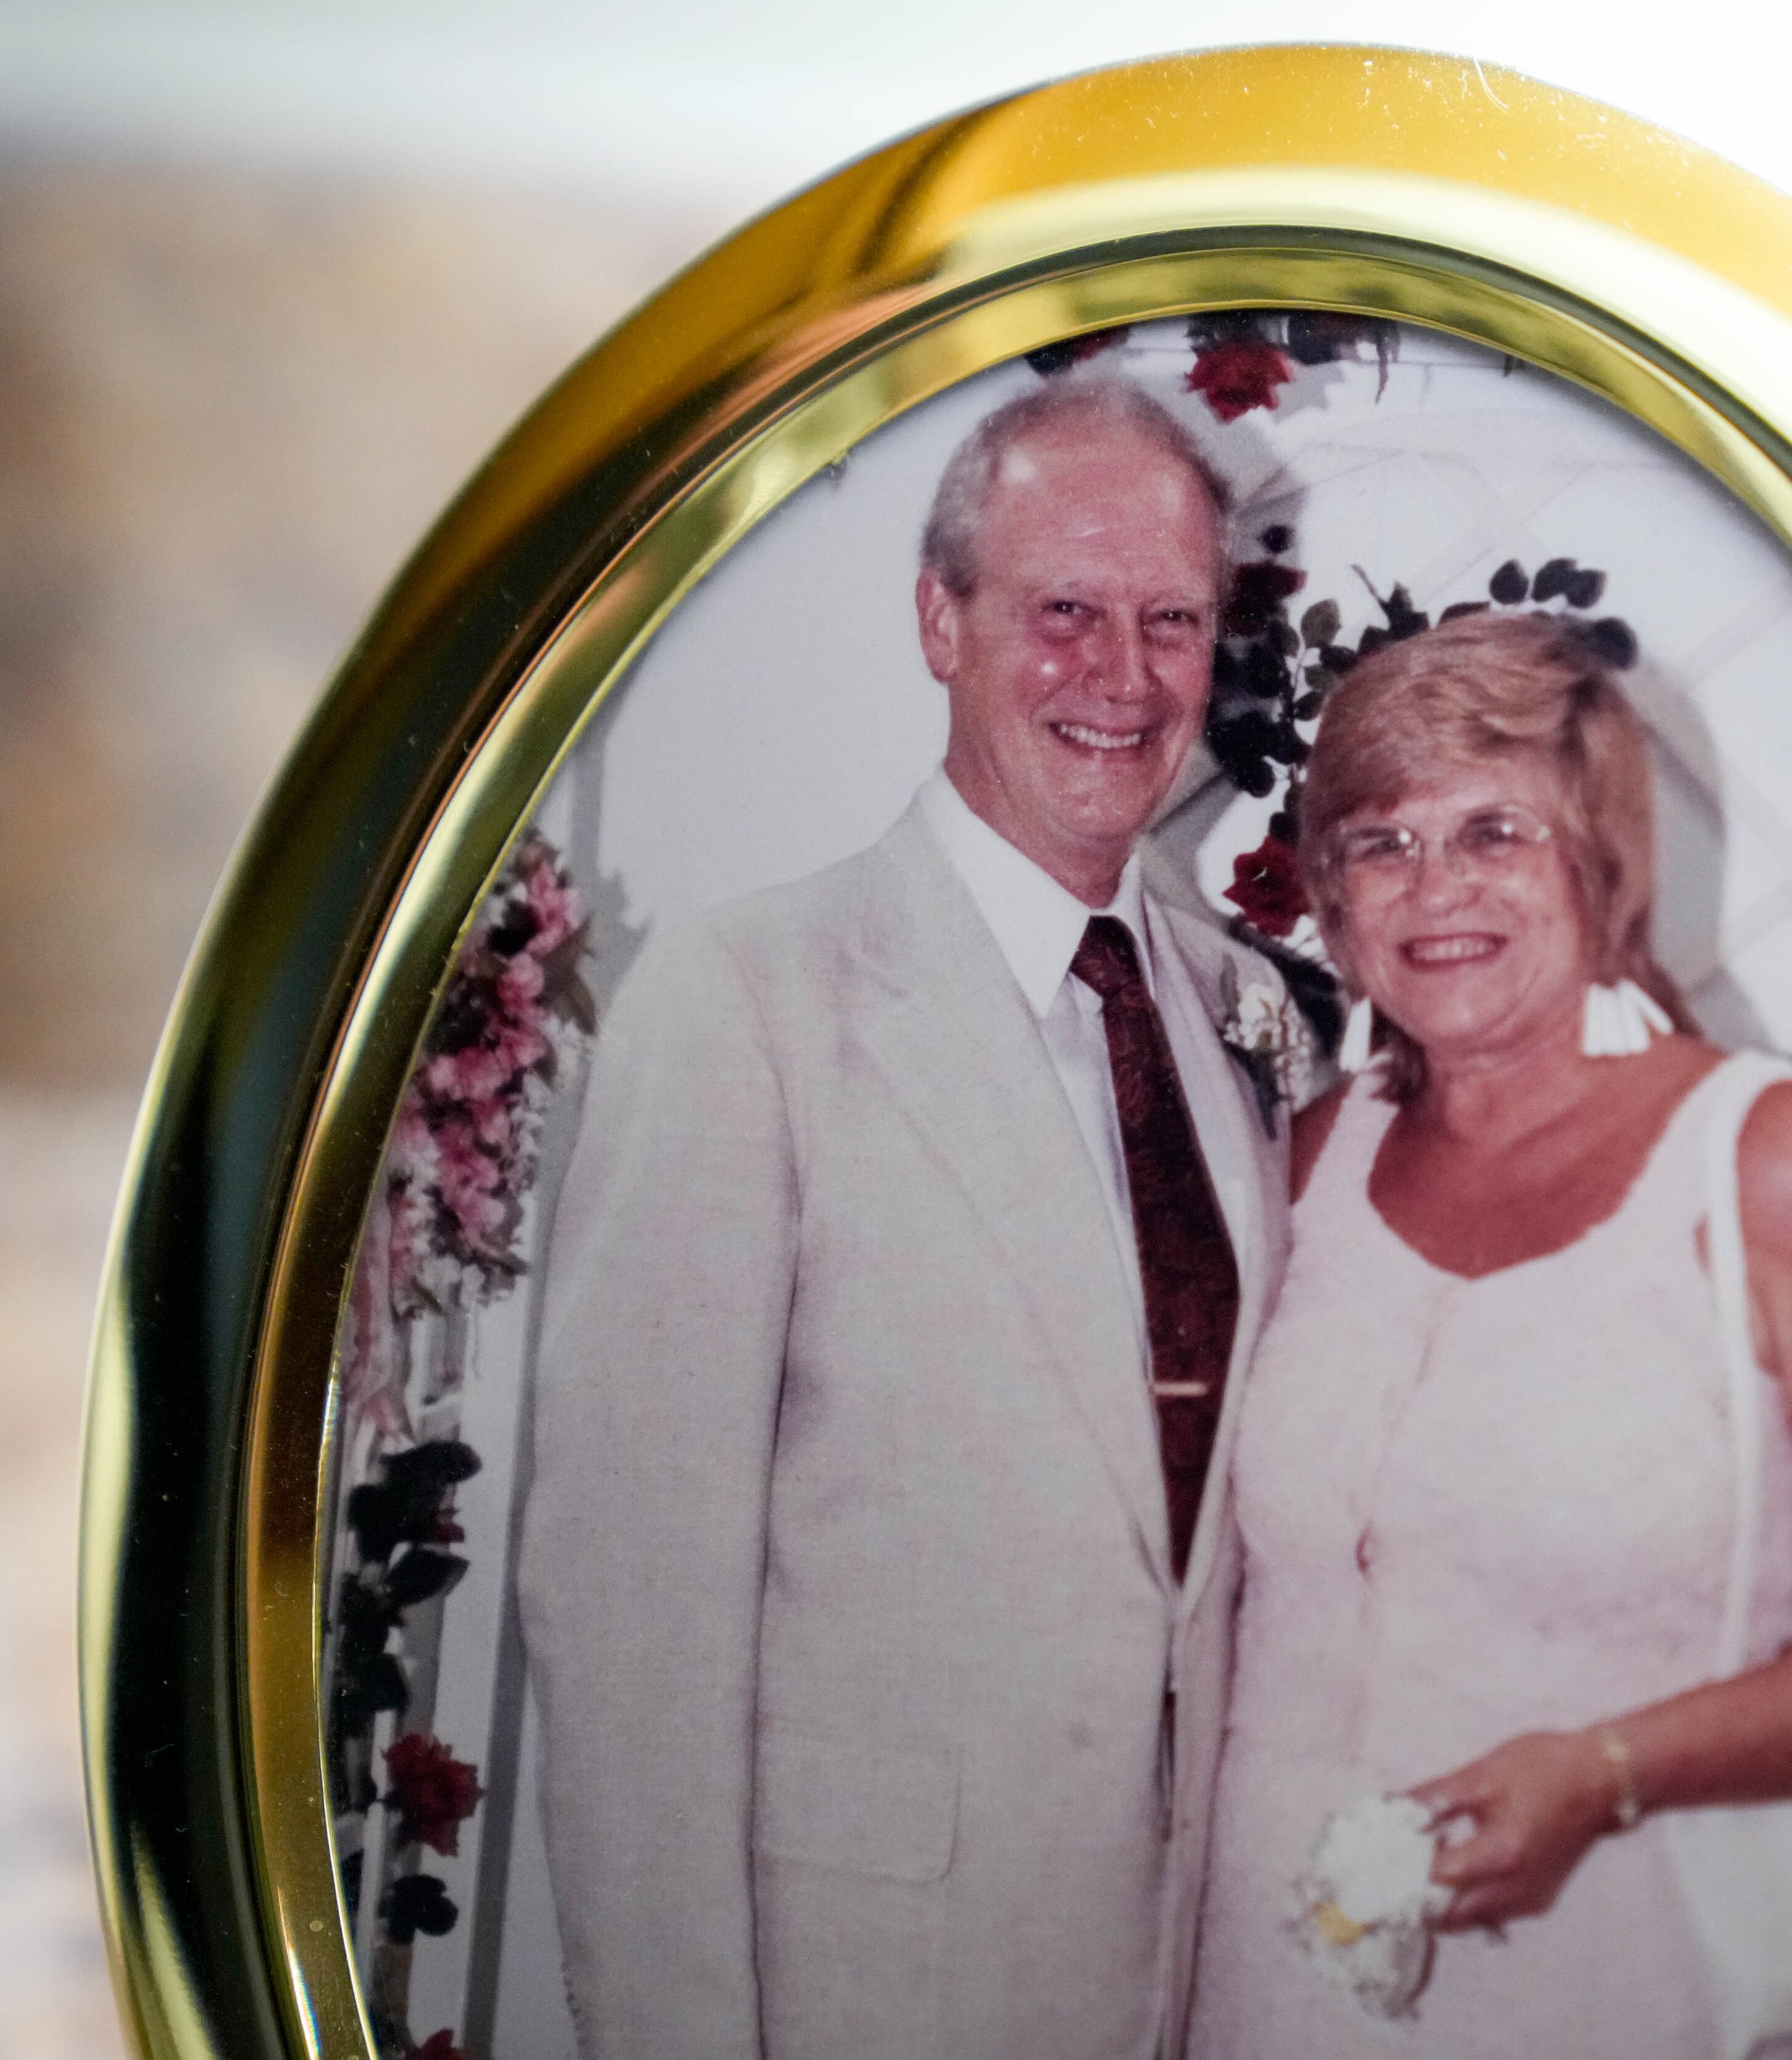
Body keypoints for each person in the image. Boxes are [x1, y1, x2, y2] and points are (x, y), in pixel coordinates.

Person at [520, 377, 1292, 2060]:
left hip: (1182, 1985)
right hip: (863, 1984)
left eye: (1172, 620)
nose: (1122, 673)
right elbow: (629, 1619)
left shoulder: (1240, 1009)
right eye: (1063, 610)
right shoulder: (747, 997)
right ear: (941, 620)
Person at [1187, 612, 1792, 2058]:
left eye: (1494, 830)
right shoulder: (1317, 1152)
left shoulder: (1772, 1160)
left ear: (1599, 865)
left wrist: (1605, 1769)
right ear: (1327, 897)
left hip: (1611, 1978)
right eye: (1380, 842)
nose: (1433, 887)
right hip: (1260, 1982)